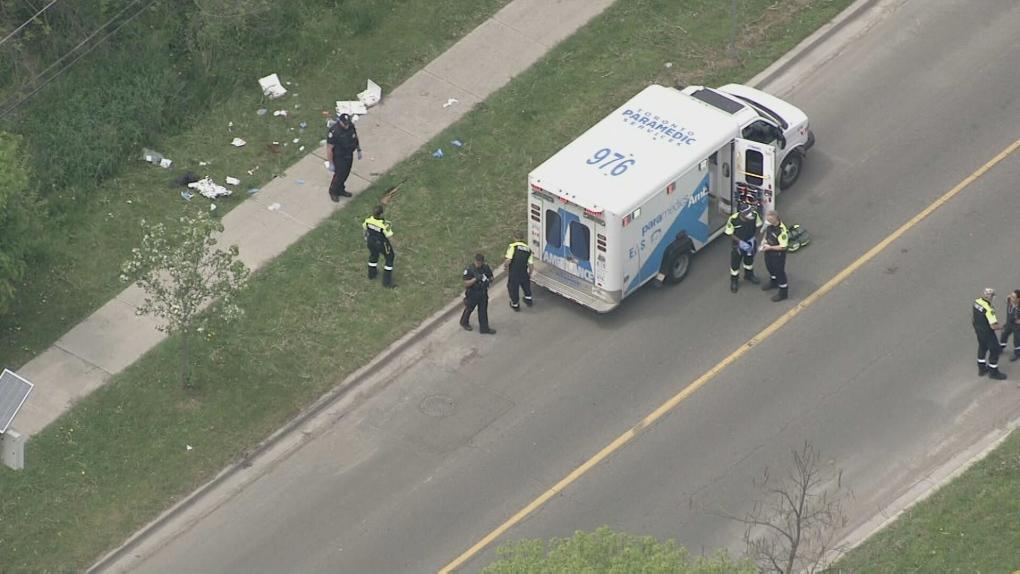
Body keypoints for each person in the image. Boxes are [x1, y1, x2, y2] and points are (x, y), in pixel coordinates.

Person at [724, 206, 763, 292]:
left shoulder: (754, 215)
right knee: (735, 264)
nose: (749, 214)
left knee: (749, 260)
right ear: (741, 213)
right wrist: (741, 242)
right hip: (738, 245)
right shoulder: (733, 219)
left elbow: (758, 226)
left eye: (749, 212)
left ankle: (749, 275)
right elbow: (730, 233)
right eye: (747, 213)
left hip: (750, 242)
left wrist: (754, 238)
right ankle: (734, 281)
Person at [326, 113, 362, 202]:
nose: (346, 125)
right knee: (339, 175)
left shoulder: (350, 126)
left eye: (347, 123)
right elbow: (329, 148)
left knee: (346, 174)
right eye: (345, 124)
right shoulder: (334, 131)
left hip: (349, 153)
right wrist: (331, 163)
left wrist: (358, 149)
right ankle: (333, 191)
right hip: (339, 157)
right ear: (340, 121)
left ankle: (341, 189)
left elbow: (355, 137)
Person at [973, 288, 1006, 380]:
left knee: (982, 347)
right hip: (987, 332)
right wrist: (1001, 327)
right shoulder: (989, 309)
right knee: (995, 350)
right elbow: (993, 326)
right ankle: (993, 372)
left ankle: (981, 368)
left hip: (978, 330)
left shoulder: (976, 302)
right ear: (991, 297)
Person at [461, 253, 496, 334]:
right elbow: (466, 283)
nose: (479, 264)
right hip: (473, 293)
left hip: (483, 292)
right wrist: (475, 279)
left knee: (483, 311)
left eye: (480, 262)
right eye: (477, 262)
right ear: (475, 261)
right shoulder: (469, 270)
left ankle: (484, 328)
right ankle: (464, 322)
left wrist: (489, 280)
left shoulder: (486, 268)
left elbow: (491, 277)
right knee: (469, 308)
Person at [362, 205, 395, 288]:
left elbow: (364, 229)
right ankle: (386, 282)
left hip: (371, 242)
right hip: (381, 243)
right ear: (381, 215)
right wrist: (393, 245)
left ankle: (371, 274)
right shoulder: (385, 224)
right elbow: (389, 236)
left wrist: (366, 238)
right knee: (390, 258)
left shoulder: (368, 220)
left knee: (373, 255)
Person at [760, 210, 789, 302]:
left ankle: (783, 292)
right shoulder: (770, 225)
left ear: (775, 218)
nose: (768, 222)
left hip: (777, 255)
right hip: (769, 251)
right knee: (770, 267)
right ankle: (774, 282)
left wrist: (770, 247)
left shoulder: (782, 231)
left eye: (770, 220)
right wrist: (764, 240)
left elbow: (783, 247)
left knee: (779, 272)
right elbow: (766, 233)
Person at [503, 232, 534, 311]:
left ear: (515, 238)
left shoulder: (513, 246)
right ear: (523, 239)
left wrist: (505, 266)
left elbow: (509, 259)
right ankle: (528, 299)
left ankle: (515, 304)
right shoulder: (528, 249)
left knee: (513, 288)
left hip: (514, 272)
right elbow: (530, 265)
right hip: (523, 272)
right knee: (526, 286)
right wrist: (529, 273)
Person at [1000, 289, 1020, 361]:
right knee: (1004, 334)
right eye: (1011, 296)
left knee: (1017, 340)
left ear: (1018, 299)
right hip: (1008, 323)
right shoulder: (1009, 300)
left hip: (1017, 326)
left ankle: (1017, 353)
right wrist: (1010, 297)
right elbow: (1007, 298)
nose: (1011, 298)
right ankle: (1001, 348)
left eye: (1013, 297)